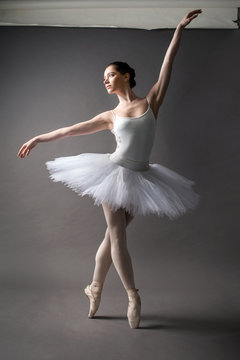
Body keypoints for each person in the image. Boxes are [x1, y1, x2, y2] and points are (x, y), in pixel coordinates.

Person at [17, 9, 202, 329]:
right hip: (113, 175)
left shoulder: (151, 102)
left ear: (126, 76)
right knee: (117, 236)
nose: (105, 79)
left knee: (110, 236)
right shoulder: (110, 116)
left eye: (110, 74)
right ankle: (133, 296)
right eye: (103, 77)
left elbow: (168, 63)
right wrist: (39, 137)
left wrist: (179, 29)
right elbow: (70, 130)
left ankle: (94, 288)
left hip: (141, 177)